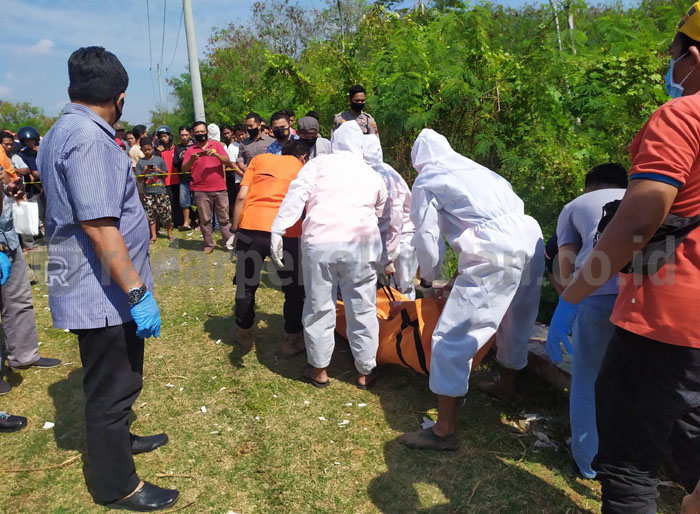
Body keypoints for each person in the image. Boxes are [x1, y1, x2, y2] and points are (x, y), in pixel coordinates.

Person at [561, 7, 700, 511]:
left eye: (673, 55)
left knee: (629, 465)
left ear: (693, 56)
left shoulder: (684, 116)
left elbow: (638, 222)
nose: (671, 66)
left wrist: (577, 289)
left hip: (666, 323)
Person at [37, 46, 178, 511]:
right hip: (103, 292)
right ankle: (117, 485)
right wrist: (137, 291)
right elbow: (99, 225)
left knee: (113, 381)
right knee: (112, 388)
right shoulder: (91, 139)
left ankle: (119, 442)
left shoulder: (64, 130)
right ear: (119, 98)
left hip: (95, 286)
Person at [398, 129, 544, 451]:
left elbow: (426, 237)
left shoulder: (427, 178)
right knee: (515, 320)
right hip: (530, 236)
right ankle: (506, 387)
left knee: (452, 334)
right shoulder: (479, 171)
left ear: (418, 163)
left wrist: (428, 279)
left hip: (495, 248)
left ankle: (443, 431)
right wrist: (459, 278)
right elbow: (487, 224)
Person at [271, 121, 387, 389]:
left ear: (334, 142)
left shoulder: (317, 164)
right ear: (360, 144)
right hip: (361, 245)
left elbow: (297, 194)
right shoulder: (371, 174)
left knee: (318, 305)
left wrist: (279, 227)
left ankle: (320, 369)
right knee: (363, 306)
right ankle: (365, 371)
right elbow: (380, 211)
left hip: (319, 244)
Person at [544, 163, 627, 479]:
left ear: (589, 186)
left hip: (595, 294)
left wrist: (568, 300)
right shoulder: (644, 197)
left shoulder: (576, 205)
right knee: (632, 379)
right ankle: (628, 459)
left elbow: (566, 259)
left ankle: (587, 462)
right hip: (645, 296)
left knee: (587, 379)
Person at [230, 139, 309, 357]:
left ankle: (243, 332)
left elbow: (242, 196)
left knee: (246, 284)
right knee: (293, 288)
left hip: (252, 227)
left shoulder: (258, 160)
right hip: (287, 232)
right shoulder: (303, 168)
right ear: (303, 157)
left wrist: (236, 230)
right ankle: (291, 339)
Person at [0, 144, 60, 396]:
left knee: (20, 300)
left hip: (8, 239)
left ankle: (24, 355)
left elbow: (6, 177)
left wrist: (7, 188)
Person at [361, 135, 418, 299]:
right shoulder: (373, 172)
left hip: (402, 236)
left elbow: (395, 219)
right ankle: (387, 321)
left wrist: (389, 255)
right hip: (384, 236)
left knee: (403, 286)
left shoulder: (385, 178)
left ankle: (406, 322)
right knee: (383, 288)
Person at [182, 121, 233, 254]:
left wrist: (216, 154)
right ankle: (208, 245)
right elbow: (183, 169)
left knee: (224, 219)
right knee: (205, 220)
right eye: (197, 132)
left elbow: (227, 161)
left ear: (207, 132)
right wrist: (192, 160)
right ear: (193, 134)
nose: (200, 134)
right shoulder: (190, 151)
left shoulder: (216, 145)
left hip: (220, 188)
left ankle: (229, 244)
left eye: (202, 131)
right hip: (201, 190)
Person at [135, 138, 174, 243]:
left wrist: (158, 170)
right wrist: (144, 171)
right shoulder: (140, 163)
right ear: (141, 150)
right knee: (150, 215)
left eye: (149, 149)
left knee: (167, 214)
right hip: (148, 193)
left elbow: (166, 174)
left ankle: (169, 233)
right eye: (144, 150)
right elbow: (139, 179)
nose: (147, 152)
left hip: (161, 191)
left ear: (152, 147)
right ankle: (153, 235)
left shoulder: (159, 160)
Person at [155, 125, 183, 229]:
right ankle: (169, 222)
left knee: (179, 202)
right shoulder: (159, 151)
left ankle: (179, 222)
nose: (163, 138)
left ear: (170, 136)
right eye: (161, 137)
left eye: (165, 136)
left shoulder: (176, 149)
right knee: (169, 203)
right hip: (166, 181)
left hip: (177, 179)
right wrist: (158, 152)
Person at [172, 125, 194, 230]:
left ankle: (199, 221)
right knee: (184, 202)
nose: (184, 137)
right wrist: (182, 157)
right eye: (182, 135)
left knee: (199, 201)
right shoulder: (178, 147)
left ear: (190, 134)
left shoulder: (195, 145)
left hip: (196, 178)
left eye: (186, 135)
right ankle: (186, 223)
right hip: (184, 178)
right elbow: (175, 163)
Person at [221, 123, 244, 219]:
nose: (241, 137)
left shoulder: (248, 143)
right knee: (239, 201)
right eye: (239, 135)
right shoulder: (232, 147)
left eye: (243, 134)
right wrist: (243, 174)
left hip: (253, 178)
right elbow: (233, 164)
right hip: (239, 179)